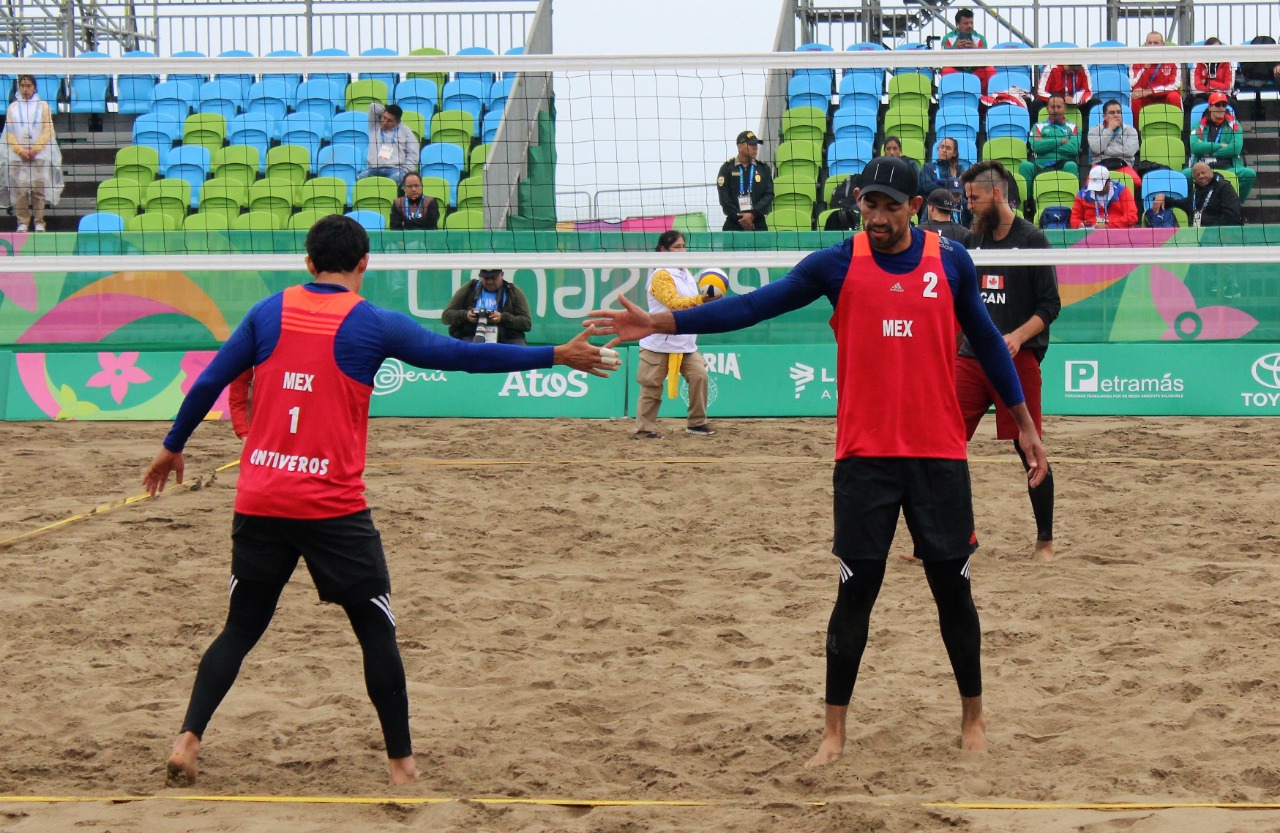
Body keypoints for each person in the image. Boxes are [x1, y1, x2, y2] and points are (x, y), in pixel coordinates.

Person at [586, 156, 1049, 765]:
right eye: (869, 205)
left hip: (938, 454)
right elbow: (752, 307)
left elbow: (989, 341)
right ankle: (833, 734)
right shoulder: (838, 262)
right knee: (854, 596)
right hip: (864, 457)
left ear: (915, 207)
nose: (877, 216)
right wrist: (663, 319)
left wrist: (1024, 423)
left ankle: (973, 719)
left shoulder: (951, 260)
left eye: (889, 206)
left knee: (953, 594)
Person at [142, 215, 618, 788]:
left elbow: (208, 382)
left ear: (307, 261)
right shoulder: (372, 323)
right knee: (375, 631)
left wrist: (173, 447)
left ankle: (187, 739)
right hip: (331, 507)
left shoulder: (266, 312)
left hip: (262, 497)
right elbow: (462, 356)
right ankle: (401, 767)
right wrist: (553, 355)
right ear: (364, 264)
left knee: (239, 630)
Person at [958, 160, 1060, 561]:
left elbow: (1050, 305)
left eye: (974, 198)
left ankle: (1045, 542)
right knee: (940, 446)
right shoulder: (972, 241)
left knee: (1030, 448)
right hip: (969, 358)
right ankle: (956, 537)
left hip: (1018, 359)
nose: (969, 206)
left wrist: (1016, 337)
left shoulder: (1032, 239)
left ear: (996, 194)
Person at [634, 230, 718, 439]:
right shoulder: (661, 274)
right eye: (677, 247)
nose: (682, 250)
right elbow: (673, 304)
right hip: (658, 342)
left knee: (699, 376)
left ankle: (696, 423)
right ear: (664, 250)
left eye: (683, 246)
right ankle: (645, 430)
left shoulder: (686, 272)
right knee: (651, 387)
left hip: (685, 341)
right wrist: (702, 301)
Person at [2, 75, 64, 233]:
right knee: (20, 191)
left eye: (28, 85)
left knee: (38, 191)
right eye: (22, 85)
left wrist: (35, 149)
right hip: (18, 156)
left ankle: (39, 222)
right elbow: (9, 133)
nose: (25, 89)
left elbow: (48, 130)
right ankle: (22, 222)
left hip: (39, 155)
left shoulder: (43, 107)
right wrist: (20, 150)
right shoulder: (13, 108)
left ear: (34, 87)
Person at [1185, 92, 1256, 202]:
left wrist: (1206, 149)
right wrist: (1219, 146)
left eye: (1224, 105)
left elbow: (1235, 148)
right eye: (1217, 105)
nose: (1221, 108)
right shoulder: (1198, 126)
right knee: (1185, 175)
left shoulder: (1235, 125)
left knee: (1249, 174)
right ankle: (1194, 206)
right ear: (1210, 107)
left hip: (1228, 166)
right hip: (1203, 166)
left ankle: (1235, 204)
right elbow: (1194, 147)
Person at [441, 268, 533, 345]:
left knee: (519, 353)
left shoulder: (512, 291)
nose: (489, 281)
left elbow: (526, 323)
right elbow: (446, 316)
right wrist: (466, 316)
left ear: (502, 274)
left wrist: (503, 318)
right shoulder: (470, 288)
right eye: (486, 278)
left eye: (493, 278)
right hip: (472, 335)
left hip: (506, 338)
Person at [1152, 161, 1242, 227]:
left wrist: (1211, 229)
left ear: (1211, 173)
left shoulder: (1224, 187)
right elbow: (1178, 203)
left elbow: (1232, 216)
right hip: (1197, 235)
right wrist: (1161, 196)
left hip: (1222, 234)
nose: (1201, 176)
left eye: (1203, 173)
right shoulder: (1196, 193)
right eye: (1197, 175)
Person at [716, 130, 774, 231]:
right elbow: (724, 198)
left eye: (756, 144)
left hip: (758, 222)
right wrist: (741, 218)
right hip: (734, 223)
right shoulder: (727, 168)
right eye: (751, 144)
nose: (755, 147)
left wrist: (752, 214)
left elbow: (769, 194)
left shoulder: (763, 168)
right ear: (740, 147)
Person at [1019, 94, 1080, 188]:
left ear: (1065, 108)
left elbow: (1074, 149)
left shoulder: (1073, 127)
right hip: (1041, 166)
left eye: (1059, 107)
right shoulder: (1038, 127)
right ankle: (1029, 202)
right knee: (1025, 166)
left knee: (1071, 165)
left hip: (1064, 164)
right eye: (1052, 107)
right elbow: (1036, 147)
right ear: (1047, 109)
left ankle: (1073, 201)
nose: (1055, 110)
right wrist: (1060, 141)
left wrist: (1046, 144)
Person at [359, 102, 419, 185]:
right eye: (384, 117)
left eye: (390, 120)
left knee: (395, 179)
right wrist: (387, 110)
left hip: (395, 169)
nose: (384, 122)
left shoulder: (405, 131)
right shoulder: (375, 126)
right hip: (373, 168)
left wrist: (406, 170)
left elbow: (413, 154)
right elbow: (373, 107)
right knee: (361, 177)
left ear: (398, 122)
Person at [1087, 98, 1142, 187]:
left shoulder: (1131, 131)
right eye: (1112, 113)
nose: (1116, 115)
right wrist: (1110, 129)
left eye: (1118, 112)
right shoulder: (1094, 130)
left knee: (1137, 183)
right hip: (1100, 165)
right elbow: (1097, 148)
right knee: (1089, 183)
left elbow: (1129, 152)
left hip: (1123, 164)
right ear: (1104, 116)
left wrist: (1104, 151)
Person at [1130, 31, 1182, 122]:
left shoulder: (1173, 59)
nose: (1152, 46)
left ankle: (1177, 128)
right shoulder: (1136, 60)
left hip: (1164, 96)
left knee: (1174, 97)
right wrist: (1146, 68)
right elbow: (1134, 85)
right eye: (1149, 43)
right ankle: (1138, 132)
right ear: (1146, 45)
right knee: (1135, 98)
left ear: (1162, 45)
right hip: (1145, 97)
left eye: (1156, 43)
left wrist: (1151, 91)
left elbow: (1175, 85)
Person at [940, 9, 995, 94]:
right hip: (956, 69)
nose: (969, 26)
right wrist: (955, 48)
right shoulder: (948, 38)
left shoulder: (980, 38)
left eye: (971, 23)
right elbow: (944, 60)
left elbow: (985, 60)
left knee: (990, 70)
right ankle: (951, 98)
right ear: (957, 24)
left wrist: (976, 51)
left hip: (976, 69)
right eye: (966, 23)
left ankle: (983, 100)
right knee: (946, 71)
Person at [1069, 164, 1139, 230]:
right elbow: (1074, 219)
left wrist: (1108, 226)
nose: (1097, 190)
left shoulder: (1123, 191)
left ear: (1108, 181)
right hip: (1090, 235)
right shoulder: (1082, 195)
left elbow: (1131, 217)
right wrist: (1079, 225)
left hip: (1118, 233)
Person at [917, 137, 966, 209]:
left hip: (955, 206)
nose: (944, 150)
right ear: (938, 149)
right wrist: (950, 185)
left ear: (954, 153)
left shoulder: (959, 169)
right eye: (942, 147)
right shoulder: (928, 167)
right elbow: (926, 187)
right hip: (932, 205)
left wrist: (938, 182)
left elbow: (962, 188)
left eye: (948, 148)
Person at [1188, 37, 1236, 108]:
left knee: (1232, 104)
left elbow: (1228, 87)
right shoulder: (1198, 63)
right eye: (1212, 49)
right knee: (1197, 103)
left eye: (1218, 49)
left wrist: (1207, 82)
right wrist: (1216, 88)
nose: (1215, 52)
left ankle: (1233, 119)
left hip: (1222, 95)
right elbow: (1195, 87)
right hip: (1203, 96)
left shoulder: (1228, 63)